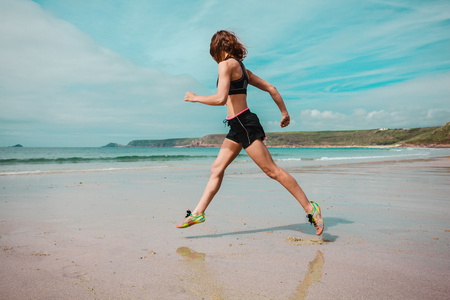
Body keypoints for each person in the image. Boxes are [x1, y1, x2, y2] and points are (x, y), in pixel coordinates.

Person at [176, 30, 324, 235]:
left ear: (216, 49)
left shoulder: (225, 65)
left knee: (272, 171)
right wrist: (284, 113)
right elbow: (272, 88)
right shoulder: (243, 69)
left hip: (244, 124)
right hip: (237, 126)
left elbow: (220, 99)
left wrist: (195, 97)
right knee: (216, 169)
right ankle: (198, 213)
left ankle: (310, 208)